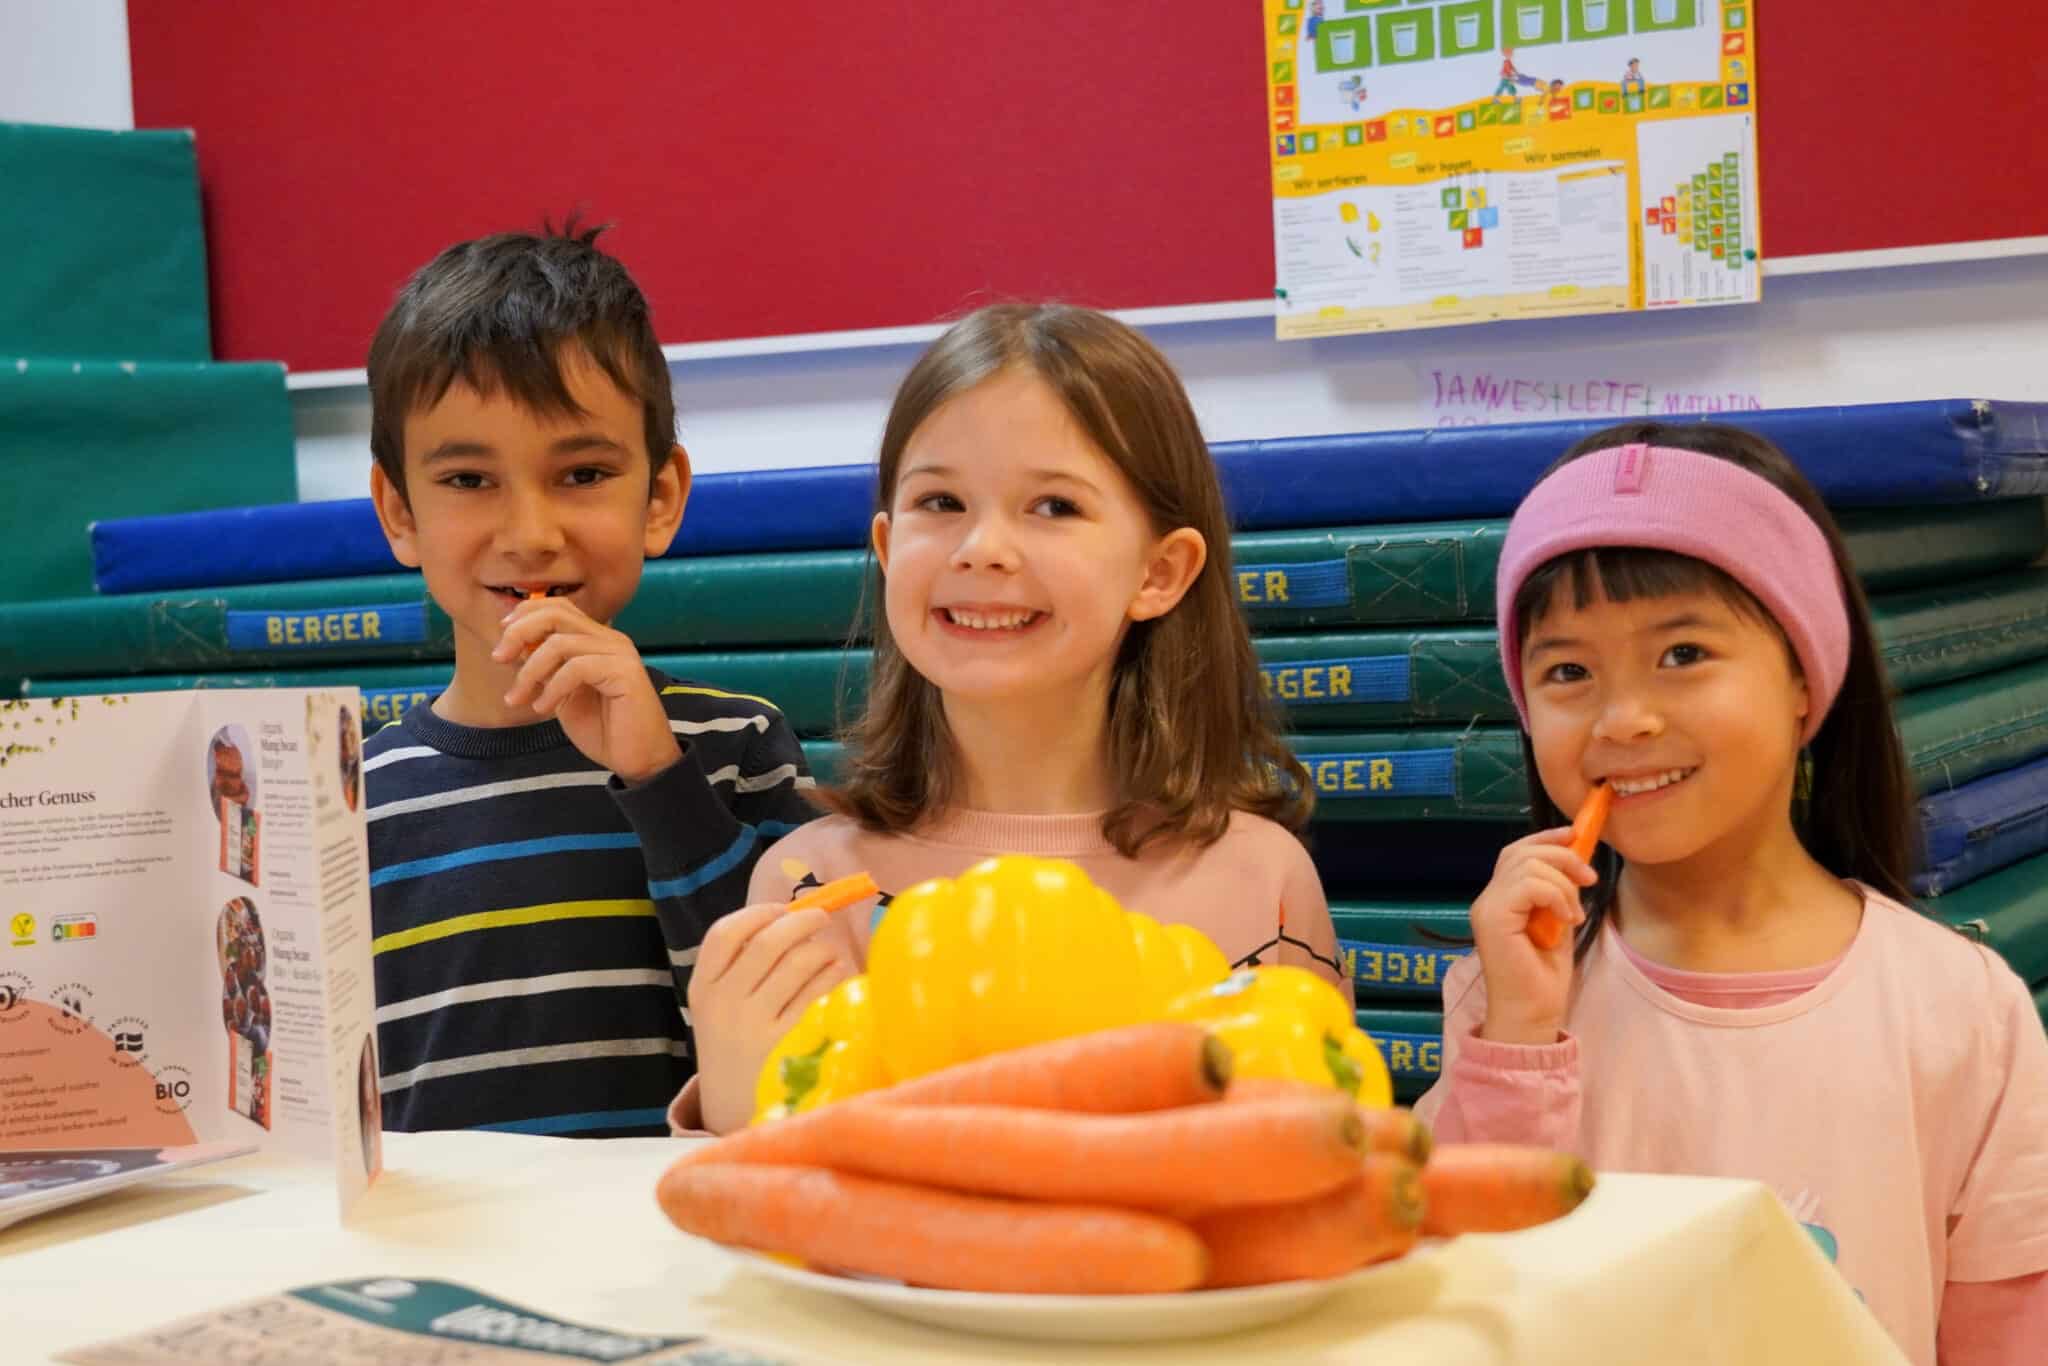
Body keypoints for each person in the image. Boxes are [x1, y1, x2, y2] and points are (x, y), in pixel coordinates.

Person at [1414, 423, 2048, 1363]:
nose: (1624, 719)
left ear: (1802, 678)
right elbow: (1459, 1299)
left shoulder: (1963, 1007)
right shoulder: (1506, 996)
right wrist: (1515, 1047)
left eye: (1683, 655)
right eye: (1568, 672)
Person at [677, 303, 1351, 1134]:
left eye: (1055, 507)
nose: (983, 547)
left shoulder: (1263, 880)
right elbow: (774, 1200)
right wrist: (735, 1103)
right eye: (942, 501)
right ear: (888, 551)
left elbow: (1311, 1164)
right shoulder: (807, 888)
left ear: (1161, 571)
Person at [361, 224, 816, 1137]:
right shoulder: (350, 801)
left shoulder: (735, 748)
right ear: (399, 513)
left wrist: (659, 778)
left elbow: (798, 1040)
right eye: (467, 479)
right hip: (442, 1268)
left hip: (675, 1259)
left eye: (581, 473)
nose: (529, 532)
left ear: (660, 498)